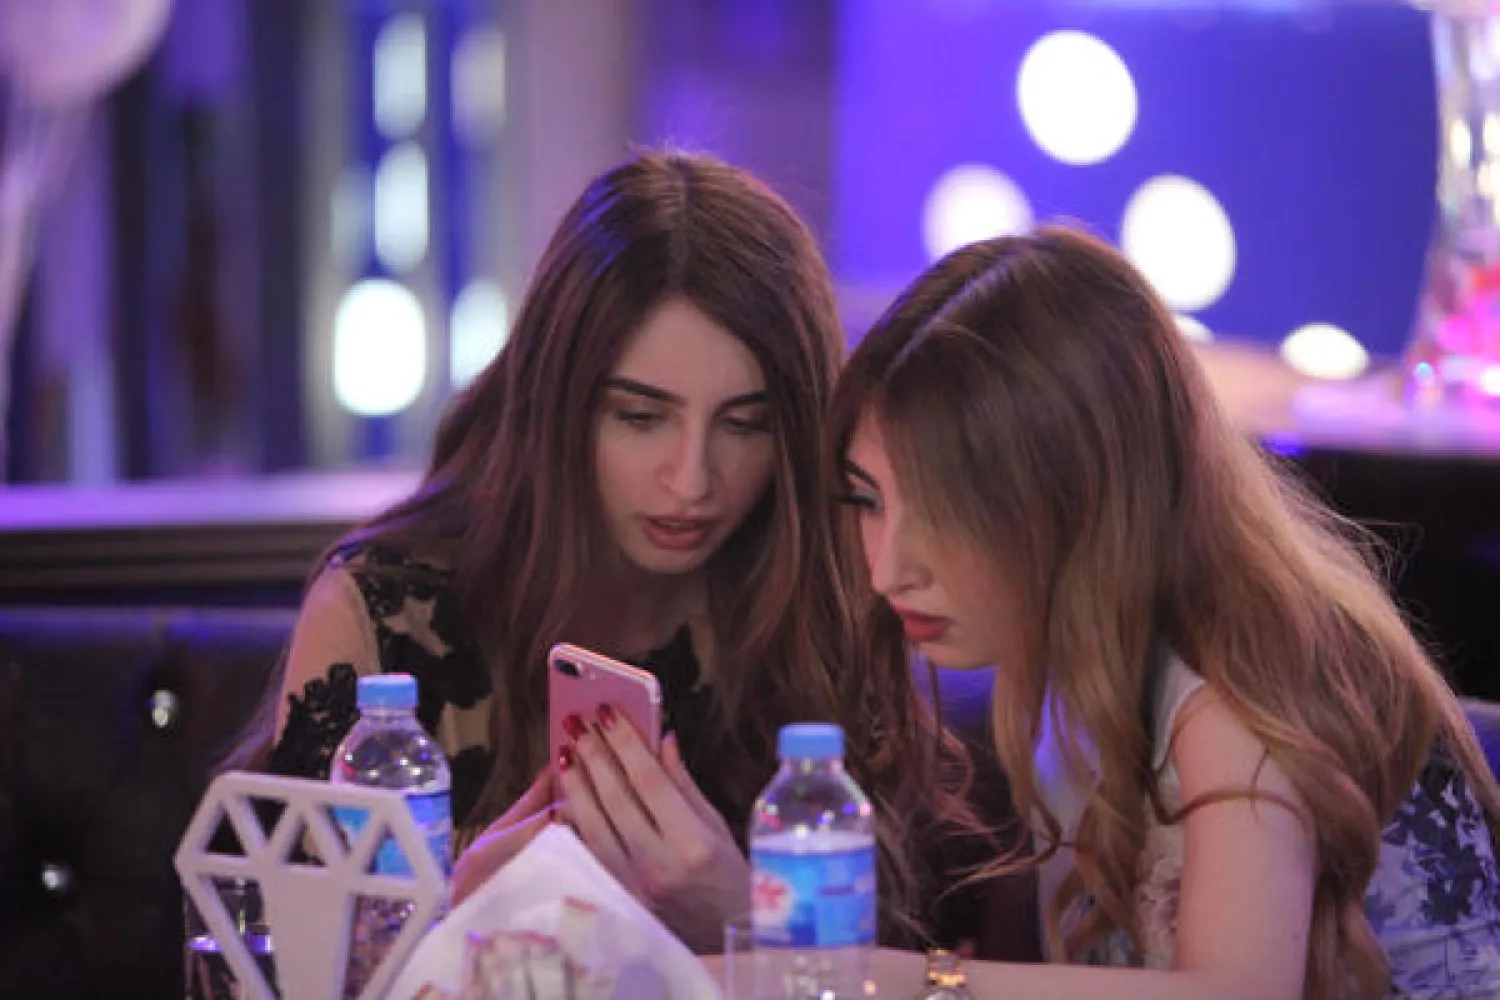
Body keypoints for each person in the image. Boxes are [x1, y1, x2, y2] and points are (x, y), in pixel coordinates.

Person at [266, 150, 1035, 957]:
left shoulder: (821, 594)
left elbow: (921, 967)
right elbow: (282, 960)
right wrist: (454, 921)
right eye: (640, 417)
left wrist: (748, 923)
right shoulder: (383, 612)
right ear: (558, 406)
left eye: (745, 424)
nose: (692, 481)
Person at [825, 225, 1500, 998]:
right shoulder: (1066, 654)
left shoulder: (1234, 687)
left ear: (1085, 493)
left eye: (947, 512)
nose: (887, 570)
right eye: (868, 501)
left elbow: (1238, 994)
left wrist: (921, 983)